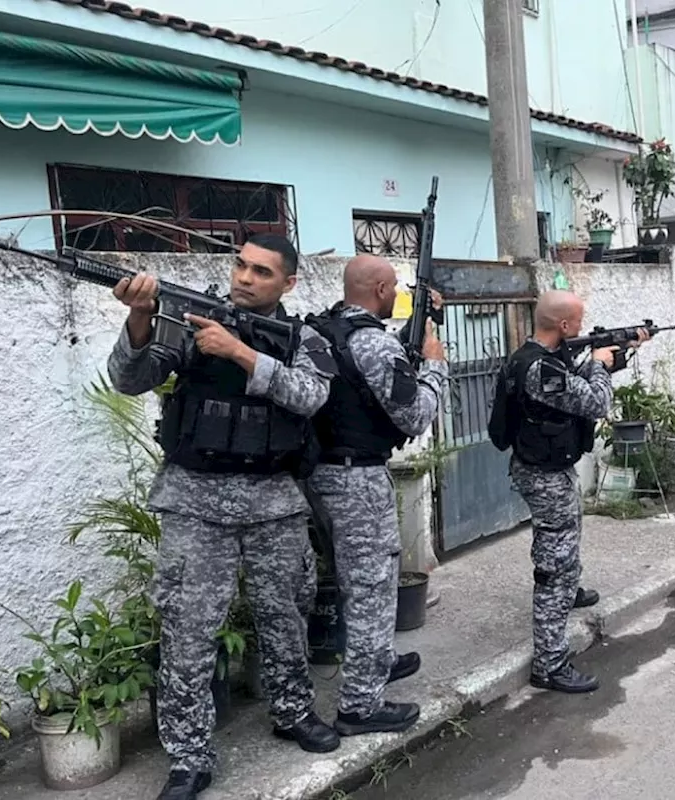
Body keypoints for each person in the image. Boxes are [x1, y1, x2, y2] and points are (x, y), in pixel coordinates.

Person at [107, 233, 342, 800]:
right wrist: (141, 320)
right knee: (188, 629)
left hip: (274, 502)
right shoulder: (193, 324)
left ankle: (292, 711)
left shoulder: (304, 338)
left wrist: (238, 352)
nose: (244, 277)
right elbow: (129, 378)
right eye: (240, 265)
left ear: (287, 283)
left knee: (286, 615)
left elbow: (312, 397)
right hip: (195, 502)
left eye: (261, 271)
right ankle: (189, 757)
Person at [303, 254, 448, 736]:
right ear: (382, 289)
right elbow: (414, 415)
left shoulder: (323, 330)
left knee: (355, 581)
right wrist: (434, 367)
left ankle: (377, 660)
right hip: (357, 480)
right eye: (397, 288)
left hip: (321, 473)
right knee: (370, 588)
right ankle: (359, 706)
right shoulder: (375, 344)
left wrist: (422, 320)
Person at [497, 290, 648, 693]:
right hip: (543, 474)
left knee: (562, 543)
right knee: (554, 563)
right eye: (578, 323)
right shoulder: (540, 370)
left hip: (546, 468)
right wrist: (599, 365)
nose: (582, 329)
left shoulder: (530, 357)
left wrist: (615, 353)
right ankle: (549, 663)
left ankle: (569, 588)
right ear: (563, 326)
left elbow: (568, 389)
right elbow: (595, 402)